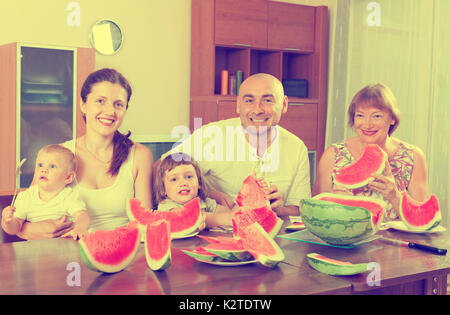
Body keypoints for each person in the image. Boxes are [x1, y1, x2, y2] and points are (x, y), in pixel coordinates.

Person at [16, 68, 154, 238]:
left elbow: (145, 223)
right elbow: (22, 225)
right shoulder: (57, 155)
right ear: (83, 105)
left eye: (118, 104)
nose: (110, 111)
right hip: (66, 256)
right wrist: (39, 230)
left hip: (122, 252)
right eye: (100, 101)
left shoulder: (140, 155)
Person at [164, 73, 311, 216]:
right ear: (238, 105)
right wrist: (207, 193)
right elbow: (162, 167)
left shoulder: (297, 148)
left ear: (284, 104)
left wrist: (281, 209)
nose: (258, 109)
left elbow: (298, 208)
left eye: (267, 100)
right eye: (249, 101)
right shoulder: (212, 135)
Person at [313, 83, 430, 220]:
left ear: (392, 118)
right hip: (347, 240)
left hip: (395, 240)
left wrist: (395, 197)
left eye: (376, 116)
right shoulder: (333, 154)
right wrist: (333, 202)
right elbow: (314, 212)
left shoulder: (412, 156)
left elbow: (423, 218)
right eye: (360, 115)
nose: (367, 125)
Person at [1, 145, 89, 240]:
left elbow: (82, 216)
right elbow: (15, 228)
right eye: (40, 165)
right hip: (35, 251)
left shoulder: (69, 196)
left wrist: (80, 228)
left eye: (52, 166)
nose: (44, 169)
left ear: (68, 177)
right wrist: (8, 223)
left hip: (64, 248)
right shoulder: (26, 197)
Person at [154, 153, 237, 228]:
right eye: (174, 179)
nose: (183, 183)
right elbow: (187, 218)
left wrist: (235, 210)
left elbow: (228, 214)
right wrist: (222, 219)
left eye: (189, 177)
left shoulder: (204, 202)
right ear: (163, 189)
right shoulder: (166, 206)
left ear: (199, 184)